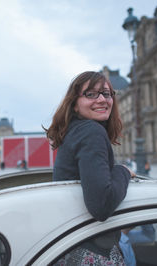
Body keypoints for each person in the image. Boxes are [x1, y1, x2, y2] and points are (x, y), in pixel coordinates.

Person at [46, 71, 136, 222]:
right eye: (91, 94)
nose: (102, 99)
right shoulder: (91, 132)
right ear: (74, 104)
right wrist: (123, 171)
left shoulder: (76, 130)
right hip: (87, 240)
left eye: (107, 94)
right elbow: (102, 205)